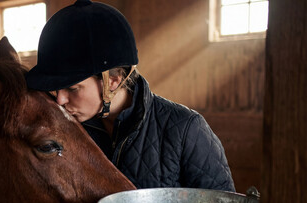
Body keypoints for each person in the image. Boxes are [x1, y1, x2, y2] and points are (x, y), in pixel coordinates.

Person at [26, 0, 235, 191]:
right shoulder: (63, 130)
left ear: (113, 81)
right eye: (55, 89)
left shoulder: (186, 129)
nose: (60, 100)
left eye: (72, 89)